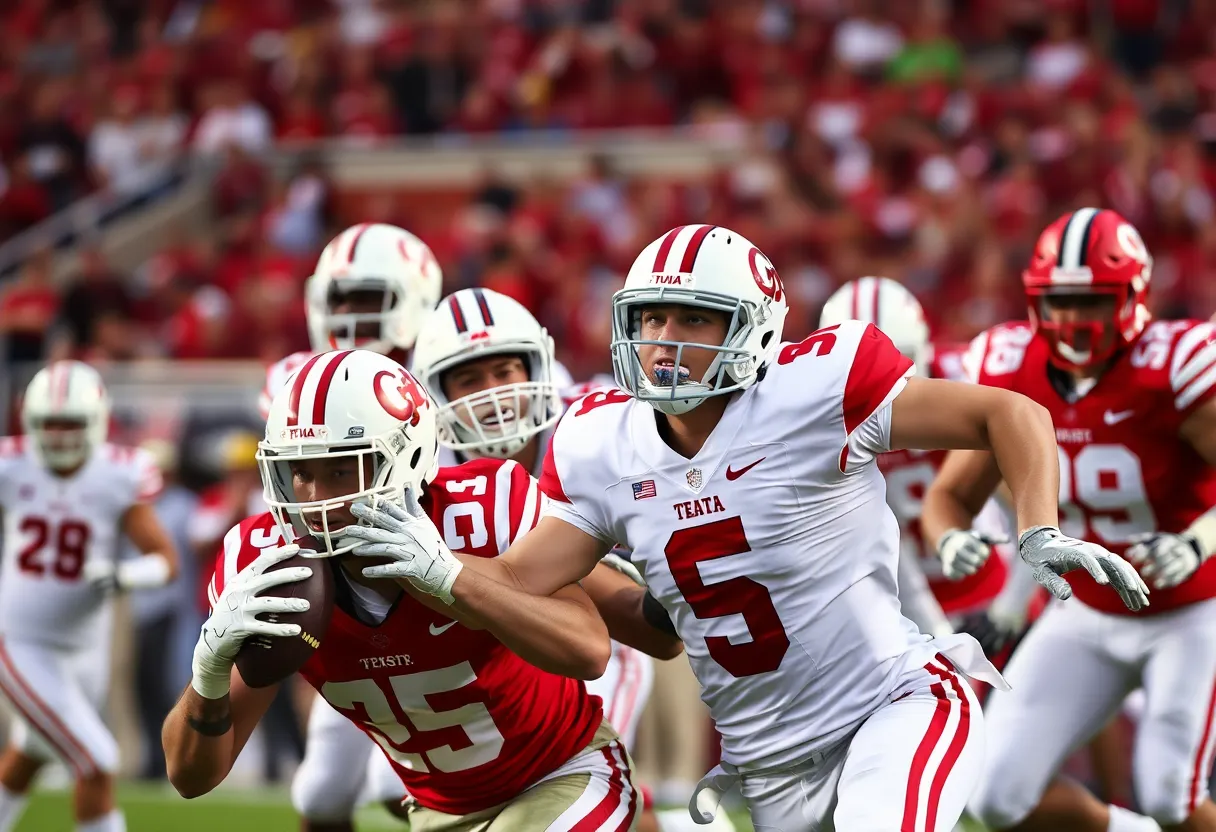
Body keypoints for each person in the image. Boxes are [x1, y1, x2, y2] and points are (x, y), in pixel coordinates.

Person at [342, 223, 1149, 831]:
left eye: (692, 320)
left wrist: (1038, 529)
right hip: (761, 762)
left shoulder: (818, 387)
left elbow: (1008, 412)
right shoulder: (599, 442)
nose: (662, 343)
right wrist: (436, 567)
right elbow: (518, 581)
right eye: (651, 319)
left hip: (891, 702)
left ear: (755, 328)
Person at [164, 349, 659, 831]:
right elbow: (191, 778)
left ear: (407, 457)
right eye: (300, 472)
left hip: (563, 775)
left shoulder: (481, 512)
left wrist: (451, 579)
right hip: (437, 812)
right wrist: (206, 675)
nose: (315, 500)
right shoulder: (270, 565)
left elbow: (590, 650)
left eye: (340, 469)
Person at [923, 207, 1216, 832]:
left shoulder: (1173, 368)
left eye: (1091, 302)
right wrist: (950, 540)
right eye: (1058, 301)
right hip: (1086, 610)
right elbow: (949, 496)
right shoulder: (1008, 367)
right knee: (996, 794)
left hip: (1193, 608)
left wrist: (1198, 541)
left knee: (1171, 793)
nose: (1072, 320)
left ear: (1132, 297)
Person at [412, 288, 682, 832]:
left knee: (584, 762)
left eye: (505, 370)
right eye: (468, 380)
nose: (492, 395)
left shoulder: (598, 426)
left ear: (539, 366)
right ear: (433, 395)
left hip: (601, 627)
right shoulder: (420, 464)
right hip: (479, 643)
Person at [261, 221, 442, 830]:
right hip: (354, 601)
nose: (352, 314)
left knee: (402, 786)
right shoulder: (298, 383)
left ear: (415, 298)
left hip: (439, 600)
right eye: (341, 298)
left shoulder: (444, 367)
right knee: (319, 798)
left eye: (370, 297)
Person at [0, 361, 179, 832]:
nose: (59, 436)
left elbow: (165, 560)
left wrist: (124, 574)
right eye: (49, 424)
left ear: (96, 421)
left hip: (85, 646)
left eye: (70, 423)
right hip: (20, 641)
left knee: (32, 753)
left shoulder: (119, 473)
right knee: (96, 757)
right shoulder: (10, 465)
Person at [818, 276, 1014, 640]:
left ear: (923, 349)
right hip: (892, 609)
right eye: (855, 370)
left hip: (989, 586)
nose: (879, 385)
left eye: (894, 363)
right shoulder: (816, 422)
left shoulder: (966, 382)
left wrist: (1013, 604)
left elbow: (1023, 493)